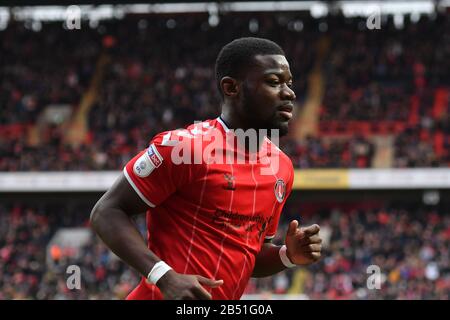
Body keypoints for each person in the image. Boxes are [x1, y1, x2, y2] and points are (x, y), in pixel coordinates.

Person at [90, 37, 322, 300]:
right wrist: (164, 276)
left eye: (289, 83)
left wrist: (287, 255)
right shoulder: (184, 149)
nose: (289, 93)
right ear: (231, 87)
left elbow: (249, 257)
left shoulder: (281, 168)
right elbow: (106, 211)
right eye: (273, 82)